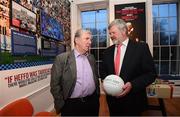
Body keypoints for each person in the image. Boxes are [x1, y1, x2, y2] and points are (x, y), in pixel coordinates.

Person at [100, 19, 157, 116]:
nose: (111, 36)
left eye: (113, 32)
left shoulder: (140, 48)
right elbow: (103, 71)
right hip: (113, 101)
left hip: (133, 100)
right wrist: (105, 83)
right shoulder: (107, 52)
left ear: (123, 31)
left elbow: (151, 74)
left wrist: (132, 85)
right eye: (109, 33)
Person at [50, 29, 100, 116]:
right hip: (72, 106)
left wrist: (97, 95)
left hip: (92, 103)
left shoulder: (91, 58)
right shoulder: (62, 59)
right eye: (87, 39)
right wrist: (62, 104)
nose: (90, 42)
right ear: (77, 40)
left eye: (91, 40)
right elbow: (55, 85)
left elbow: (95, 77)